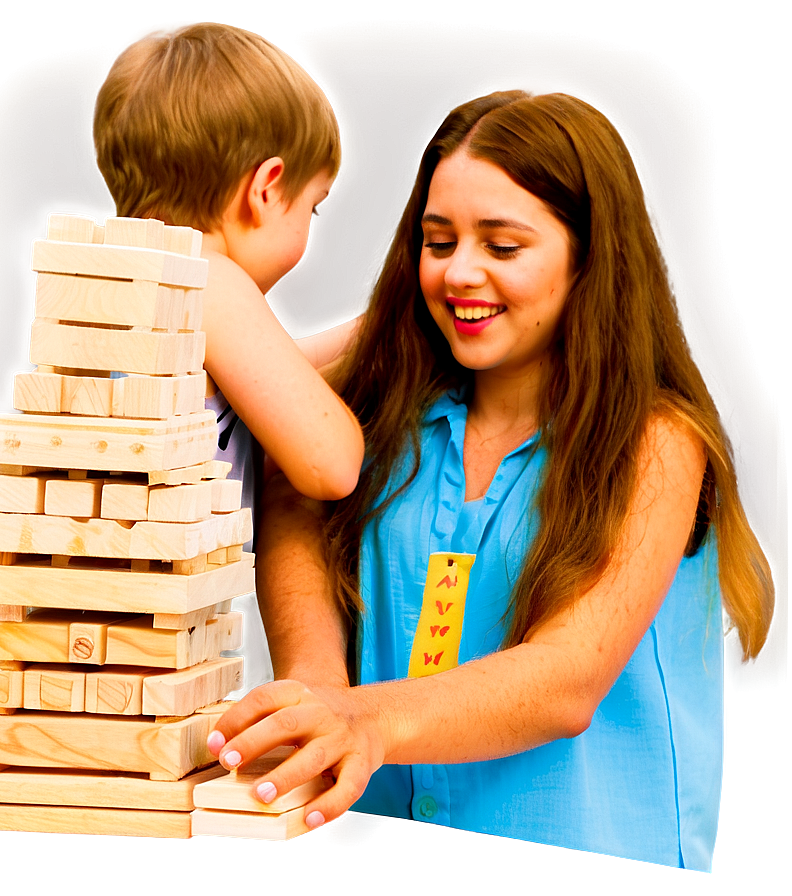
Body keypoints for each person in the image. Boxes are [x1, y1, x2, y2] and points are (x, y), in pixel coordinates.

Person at [206, 89, 775, 870]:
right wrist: (315, 688)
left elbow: (565, 681)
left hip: (594, 874)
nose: (459, 273)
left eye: (502, 248)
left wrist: (362, 719)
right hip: (376, 865)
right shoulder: (370, 417)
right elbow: (285, 474)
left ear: (589, 257)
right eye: (438, 242)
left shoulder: (657, 444)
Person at [94, 23, 363, 517]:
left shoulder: (123, 278)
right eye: (314, 206)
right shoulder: (205, 278)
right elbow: (333, 466)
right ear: (267, 189)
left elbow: (255, 376)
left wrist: (370, 330)